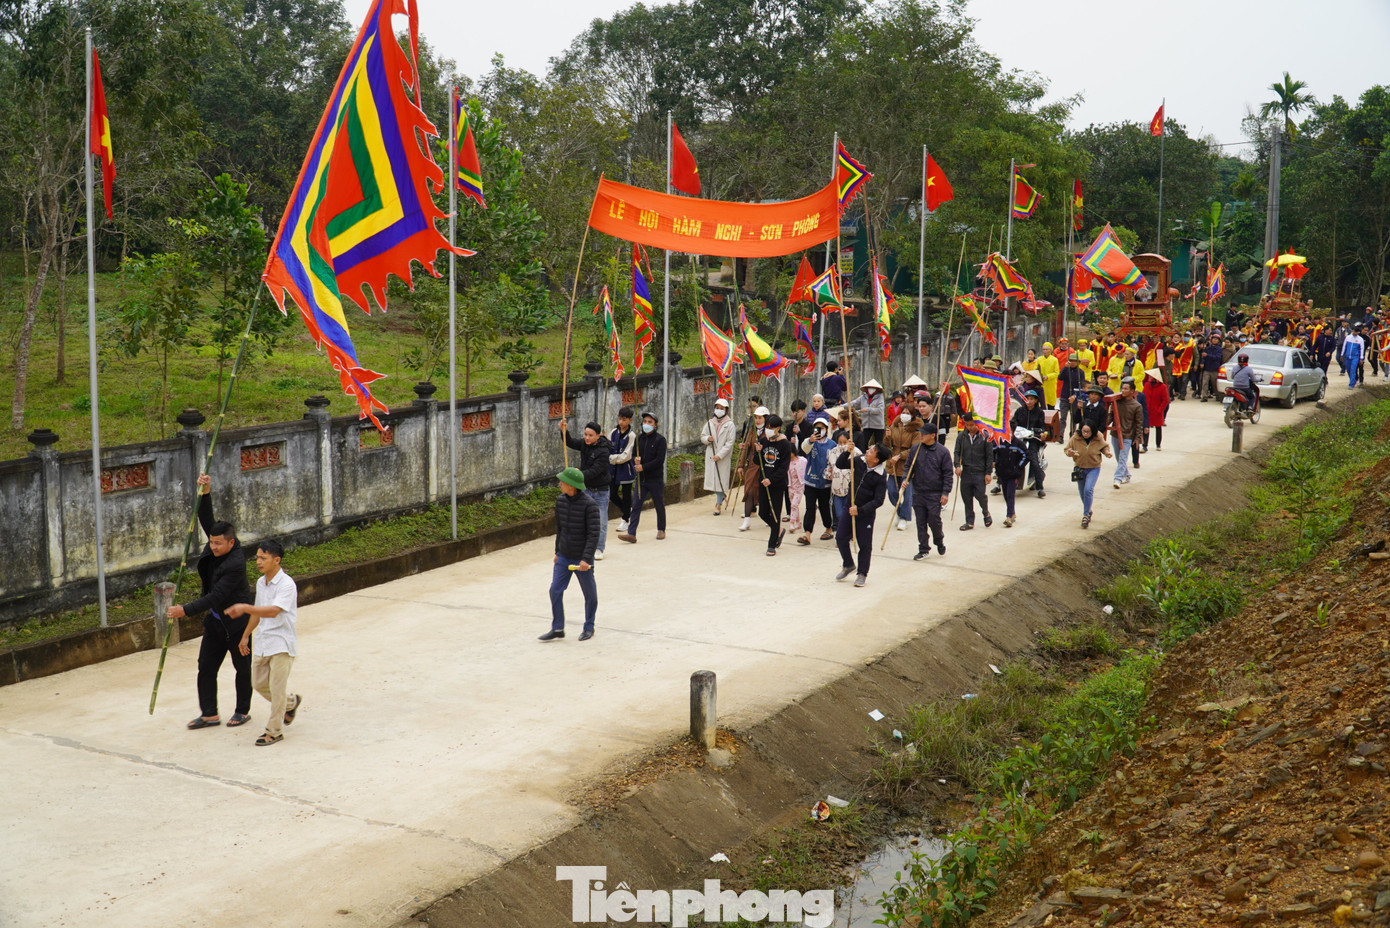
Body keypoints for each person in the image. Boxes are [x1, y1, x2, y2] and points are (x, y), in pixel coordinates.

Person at [172, 473, 256, 731]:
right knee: (205, 667)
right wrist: (205, 492)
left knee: (241, 668)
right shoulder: (217, 542)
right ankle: (209, 713)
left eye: (219, 543)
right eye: (212, 541)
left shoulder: (235, 564)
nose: (214, 546)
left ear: (232, 542)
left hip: (238, 624)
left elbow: (216, 597)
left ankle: (242, 710)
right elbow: (206, 520)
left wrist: (184, 610)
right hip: (216, 621)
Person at [228, 540, 300, 747]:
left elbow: (273, 611)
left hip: (282, 642)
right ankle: (291, 703)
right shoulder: (261, 583)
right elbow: (259, 611)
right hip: (264, 640)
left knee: (277, 690)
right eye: (257, 557)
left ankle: (274, 731)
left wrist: (244, 608)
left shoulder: (287, 584)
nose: (258, 561)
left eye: (263, 558)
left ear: (276, 560)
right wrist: (245, 635)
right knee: (258, 683)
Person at [539, 467, 599, 641]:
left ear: (571, 485)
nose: (559, 484)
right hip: (564, 555)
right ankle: (558, 627)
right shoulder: (560, 501)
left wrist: (586, 559)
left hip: (582, 559)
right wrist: (558, 551)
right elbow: (560, 529)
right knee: (555, 590)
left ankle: (589, 627)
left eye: (562, 482)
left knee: (590, 594)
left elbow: (593, 534)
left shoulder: (590, 505)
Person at [833, 442, 888, 587]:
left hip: (865, 513)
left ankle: (862, 573)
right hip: (849, 507)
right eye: (869, 449)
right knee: (840, 537)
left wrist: (861, 510)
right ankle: (848, 564)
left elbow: (879, 500)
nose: (867, 451)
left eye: (871, 451)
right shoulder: (859, 461)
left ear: (876, 460)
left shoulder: (880, 476)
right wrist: (847, 452)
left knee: (865, 544)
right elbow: (840, 464)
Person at [559, 419, 613, 559]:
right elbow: (570, 442)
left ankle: (599, 548)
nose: (587, 438)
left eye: (590, 435)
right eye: (585, 434)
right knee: (583, 520)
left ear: (598, 436)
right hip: (586, 490)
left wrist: (577, 475)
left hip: (601, 491)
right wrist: (564, 431)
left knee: (600, 522)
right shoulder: (584, 444)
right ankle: (586, 546)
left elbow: (594, 471)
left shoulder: (603, 451)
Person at [906, 423, 952, 559]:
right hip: (918, 491)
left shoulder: (942, 452)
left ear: (933, 435)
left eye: (924, 433)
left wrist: (945, 492)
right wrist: (905, 479)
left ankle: (939, 540)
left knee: (934, 520)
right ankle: (923, 548)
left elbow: (948, 474)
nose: (921, 435)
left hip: (934, 493)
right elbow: (909, 466)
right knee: (920, 522)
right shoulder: (915, 449)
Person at [619, 412, 667, 542]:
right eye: (645, 421)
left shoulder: (660, 440)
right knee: (636, 505)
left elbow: (659, 460)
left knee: (659, 504)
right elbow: (633, 455)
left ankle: (661, 529)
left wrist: (644, 467)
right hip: (641, 479)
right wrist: (636, 460)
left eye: (650, 422)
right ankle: (631, 533)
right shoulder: (639, 439)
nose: (646, 424)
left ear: (655, 425)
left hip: (655, 479)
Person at [883, 400, 922, 532]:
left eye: (908, 413)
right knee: (892, 492)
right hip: (893, 465)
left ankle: (904, 518)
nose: (905, 415)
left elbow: (914, 449)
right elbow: (886, 445)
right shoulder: (894, 426)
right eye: (903, 412)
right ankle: (900, 512)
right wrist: (887, 437)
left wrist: (900, 456)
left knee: (907, 493)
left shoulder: (916, 431)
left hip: (907, 466)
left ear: (912, 415)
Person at [756, 414, 792, 555]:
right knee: (762, 512)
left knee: (775, 514)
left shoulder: (785, 444)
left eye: (771, 428)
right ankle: (778, 530)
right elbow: (756, 462)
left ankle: (771, 545)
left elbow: (784, 467)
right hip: (763, 482)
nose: (768, 430)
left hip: (776, 484)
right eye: (767, 427)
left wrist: (772, 479)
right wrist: (757, 452)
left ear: (778, 428)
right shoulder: (763, 440)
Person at [952, 412, 994, 530]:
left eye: (971, 425)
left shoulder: (985, 436)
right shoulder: (962, 436)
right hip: (966, 471)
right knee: (966, 497)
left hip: (979, 472)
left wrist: (988, 473)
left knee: (980, 494)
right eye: (967, 425)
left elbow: (989, 456)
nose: (969, 427)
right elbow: (956, 452)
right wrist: (957, 465)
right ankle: (969, 521)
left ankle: (986, 512)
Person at [1066, 423, 1111, 529]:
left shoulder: (1098, 437)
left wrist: (1107, 453)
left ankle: (1085, 515)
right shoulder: (1075, 438)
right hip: (1080, 468)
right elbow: (1067, 449)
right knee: (1082, 493)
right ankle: (1089, 510)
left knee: (1088, 490)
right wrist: (1070, 452)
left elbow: (1104, 447)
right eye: (1083, 431)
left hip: (1093, 468)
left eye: (1088, 432)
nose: (1085, 434)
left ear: (1093, 431)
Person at [798, 419, 836, 544]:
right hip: (810, 481)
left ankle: (828, 528)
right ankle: (807, 534)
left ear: (826, 428)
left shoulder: (832, 444)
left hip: (825, 482)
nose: (820, 430)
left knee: (824, 507)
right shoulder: (809, 441)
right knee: (810, 508)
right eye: (817, 428)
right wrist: (810, 440)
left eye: (822, 428)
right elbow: (804, 448)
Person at [1010, 389, 1050, 498]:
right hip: (1019, 439)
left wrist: (1041, 433)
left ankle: (1040, 487)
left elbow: (1042, 427)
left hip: (1032, 440)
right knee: (1008, 457)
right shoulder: (1019, 411)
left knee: (1034, 461)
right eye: (1027, 398)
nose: (1029, 401)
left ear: (1036, 400)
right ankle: (1000, 483)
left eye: (1032, 399)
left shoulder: (1039, 412)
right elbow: (1013, 422)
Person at [700, 397, 736, 514]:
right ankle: (721, 496)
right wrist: (707, 439)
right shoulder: (710, 423)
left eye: (721, 408)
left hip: (722, 458)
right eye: (717, 408)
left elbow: (730, 443)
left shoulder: (730, 425)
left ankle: (718, 504)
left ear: (726, 410)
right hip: (711, 455)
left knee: (721, 481)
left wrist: (720, 455)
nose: (719, 410)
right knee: (713, 482)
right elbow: (703, 436)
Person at [737, 403, 769, 531]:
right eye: (756, 417)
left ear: (765, 418)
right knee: (749, 491)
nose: (757, 420)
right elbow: (746, 448)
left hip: (766, 466)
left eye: (760, 418)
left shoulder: (770, 431)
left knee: (766, 493)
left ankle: (769, 516)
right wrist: (740, 464)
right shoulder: (752, 430)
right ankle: (747, 520)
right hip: (752, 465)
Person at [1109, 378, 1143, 489]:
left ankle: (1117, 478)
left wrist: (1137, 438)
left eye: (1125, 389)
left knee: (1123, 458)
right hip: (1115, 434)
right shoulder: (1117, 402)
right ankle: (1127, 475)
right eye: (1122, 388)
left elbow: (1139, 423)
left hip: (1128, 435)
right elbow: (1111, 416)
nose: (1123, 391)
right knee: (1119, 458)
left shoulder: (1137, 406)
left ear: (1132, 391)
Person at [609, 407, 638, 533]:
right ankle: (627, 510)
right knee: (612, 494)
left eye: (624, 420)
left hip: (625, 470)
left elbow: (627, 455)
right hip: (613, 470)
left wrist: (612, 458)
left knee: (626, 495)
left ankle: (625, 519)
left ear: (630, 420)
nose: (621, 422)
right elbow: (608, 447)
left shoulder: (632, 435)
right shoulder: (613, 432)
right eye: (620, 419)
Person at [992, 432, 1027, 528]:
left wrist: (1018, 467)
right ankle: (1012, 512)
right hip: (1002, 473)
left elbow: (1026, 455)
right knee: (1005, 495)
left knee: (1010, 494)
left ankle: (1009, 516)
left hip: (1013, 474)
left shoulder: (1018, 443)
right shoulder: (1000, 441)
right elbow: (992, 451)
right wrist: (994, 462)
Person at [851, 379, 887, 446]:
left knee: (878, 445)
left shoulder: (880, 398)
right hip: (866, 425)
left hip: (878, 426)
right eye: (869, 388)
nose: (871, 389)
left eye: (873, 388)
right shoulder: (863, 397)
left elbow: (880, 410)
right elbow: (854, 403)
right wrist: (842, 406)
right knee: (864, 443)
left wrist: (868, 409)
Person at [1058, 354, 1085, 435]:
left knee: (1073, 417)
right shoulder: (1066, 370)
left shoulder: (1081, 372)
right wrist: (1065, 367)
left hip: (1075, 398)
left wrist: (1075, 395)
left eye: (1074, 361)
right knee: (1063, 417)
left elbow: (1081, 386)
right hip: (1064, 396)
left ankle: (1072, 433)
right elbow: (1060, 377)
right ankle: (1060, 435)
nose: (1073, 363)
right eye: (1071, 361)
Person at [1143, 368, 1169, 451]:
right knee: (1145, 428)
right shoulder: (1146, 385)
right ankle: (1144, 445)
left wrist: (1160, 410)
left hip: (1156, 411)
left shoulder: (1162, 387)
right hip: (1147, 411)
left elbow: (1165, 400)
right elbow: (1143, 397)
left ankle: (1158, 445)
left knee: (1158, 428)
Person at [1199, 334, 1224, 401]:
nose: (1214, 340)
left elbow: (1218, 357)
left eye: (1216, 339)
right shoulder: (1207, 348)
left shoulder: (1220, 349)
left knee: (1215, 384)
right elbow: (1203, 358)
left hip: (1215, 369)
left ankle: (1218, 395)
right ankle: (1204, 396)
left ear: (1218, 341)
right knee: (1205, 383)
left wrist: (1208, 355)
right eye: (1213, 338)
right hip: (1207, 368)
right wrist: (1202, 363)